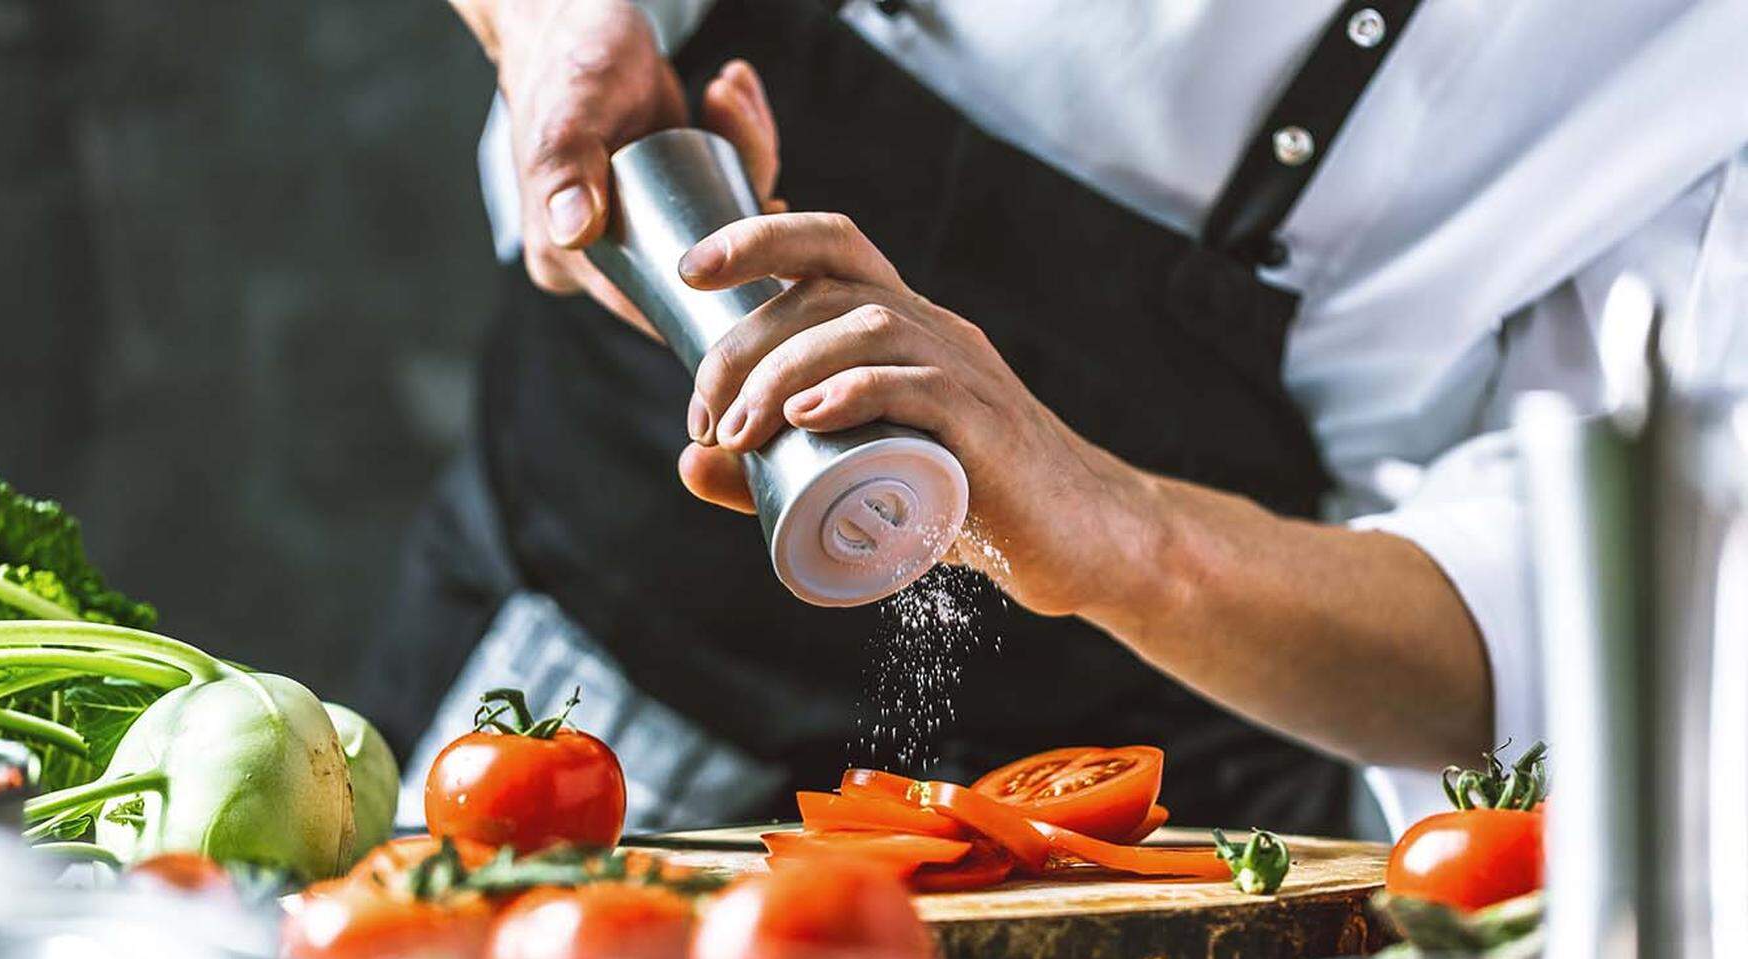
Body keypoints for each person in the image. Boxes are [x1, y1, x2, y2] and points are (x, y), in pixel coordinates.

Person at [360, 0, 1748, 837]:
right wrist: (553, 31)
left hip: (1107, 833)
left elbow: (1563, 612)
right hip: (567, 691)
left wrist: (1113, 530)